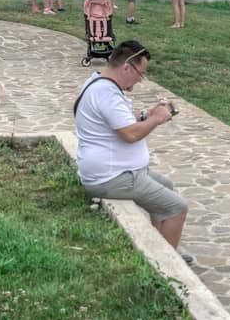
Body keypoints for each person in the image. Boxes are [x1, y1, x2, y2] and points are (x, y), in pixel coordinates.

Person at [73, 40, 191, 263]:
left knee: (166, 186)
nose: (140, 80)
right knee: (177, 207)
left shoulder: (99, 82)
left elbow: (120, 120)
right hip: (112, 177)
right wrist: (156, 119)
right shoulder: (108, 94)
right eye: (141, 73)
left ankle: (163, 245)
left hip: (116, 170)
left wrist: (147, 114)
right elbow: (130, 135)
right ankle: (166, 266)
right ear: (127, 67)